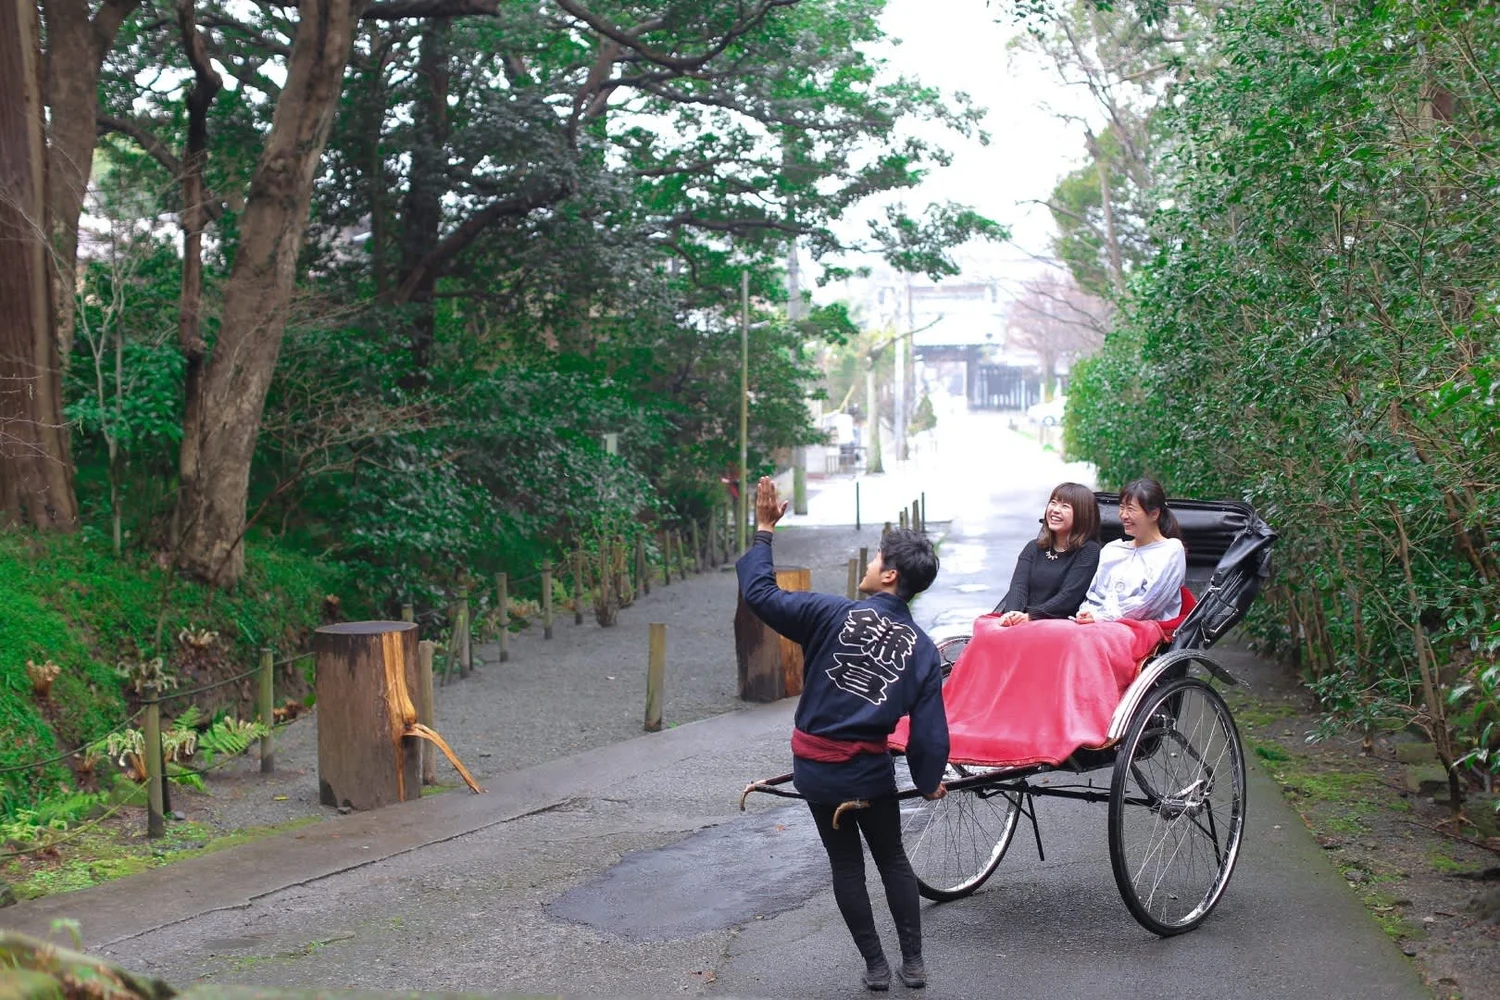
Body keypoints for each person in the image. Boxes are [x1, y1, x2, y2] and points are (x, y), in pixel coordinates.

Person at [737, 477, 949, 992]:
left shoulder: (831, 613)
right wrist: (927, 780)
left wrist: (765, 531)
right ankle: (914, 964)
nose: (871, 564)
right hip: (869, 775)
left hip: (818, 773)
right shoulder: (922, 649)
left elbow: (760, 593)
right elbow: (930, 734)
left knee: (846, 865)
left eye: (877, 558)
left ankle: (877, 967)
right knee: (892, 857)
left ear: (889, 574)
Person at [1074, 477, 1187, 623]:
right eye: (1121, 507)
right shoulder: (1112, 549)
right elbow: (1094, 594)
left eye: (1131, 509)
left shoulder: (1171, 550)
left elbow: (1150, 603)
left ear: (1154, 514)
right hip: (1099, 624)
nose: (1123, 515)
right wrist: (1086, 612)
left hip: (1141, 627)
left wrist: (1102, 618)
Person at [992, 482, 1101, 625]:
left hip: (1058, 624)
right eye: (1053, 503)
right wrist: (1011, 614)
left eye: (1065, 506)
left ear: (1082, 515)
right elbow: (1018, 587)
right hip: (1023, 618)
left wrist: (1031, 616)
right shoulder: (1033, 547)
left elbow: (1069, 596)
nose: (1055, 510)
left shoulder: (1089, 550)